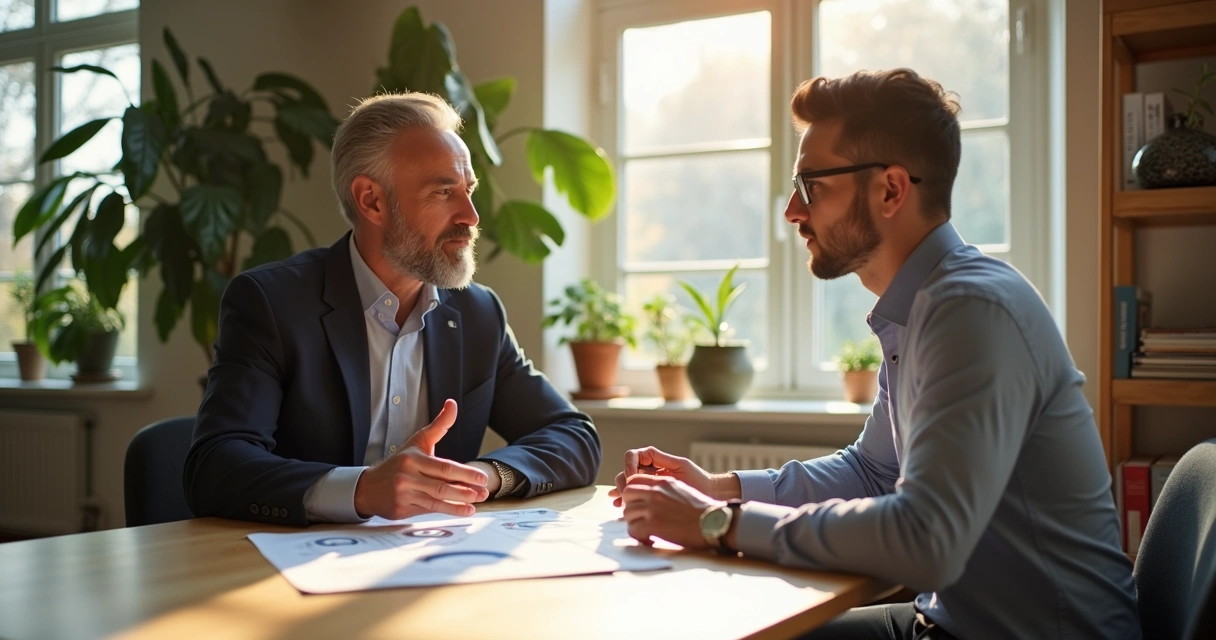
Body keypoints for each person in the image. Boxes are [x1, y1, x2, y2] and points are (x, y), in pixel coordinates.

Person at [610, 69, 1140, 639]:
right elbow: (873, 471)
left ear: (891, 190)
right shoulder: (919, 308)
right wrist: (718, 488)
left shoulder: (969, 309)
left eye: (812, 186)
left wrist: (719, 523)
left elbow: (925, 540)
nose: (792, 211)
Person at [185, 92, 601, 526]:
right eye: (444, 191)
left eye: (469, 190)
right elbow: (215, 467)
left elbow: (574, 436)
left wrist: (480, 478)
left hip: (430, 556)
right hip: (289, 559)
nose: (472, 216)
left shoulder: (478, 313)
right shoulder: (271, 303)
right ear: (372, 201)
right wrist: (362, 490)